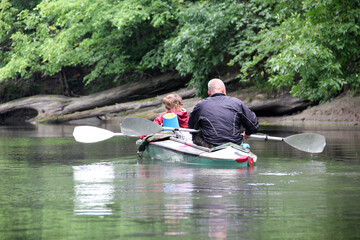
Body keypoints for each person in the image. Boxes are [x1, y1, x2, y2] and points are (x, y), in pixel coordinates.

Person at [188, 78, 259, 148]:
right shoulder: (237, 103)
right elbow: (254, 126)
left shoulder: (200, 106)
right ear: (224, 90)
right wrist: (247, 133)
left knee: (196, 134)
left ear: (208, 92)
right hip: (234, 144)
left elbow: (191, 128)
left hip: (211, 145)